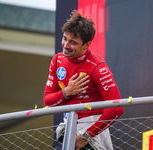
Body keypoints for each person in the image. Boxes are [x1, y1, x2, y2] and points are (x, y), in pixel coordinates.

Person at [44, 10, 124, 150]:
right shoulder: (57, 60)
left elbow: (116, 108)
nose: (66, 45)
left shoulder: (98, 67)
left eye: (73, 42)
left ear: (86, 45)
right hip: (67, 131)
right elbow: (48, 102)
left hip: (89, 139)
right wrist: (66, 92)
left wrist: (87, 136)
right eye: (64, 38)